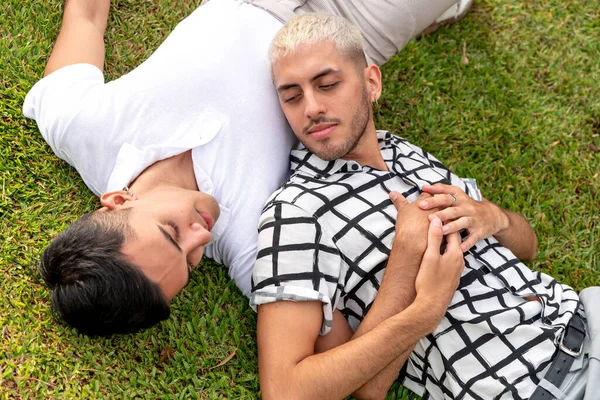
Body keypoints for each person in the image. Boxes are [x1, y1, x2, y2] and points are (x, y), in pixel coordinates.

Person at [22, 0, 472, 336]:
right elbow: (338, 348)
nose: (203, 234)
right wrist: (415, 302)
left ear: (118, 200)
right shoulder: (249, 243)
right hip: (349, 35)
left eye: (171, 232)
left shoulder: (79, 126)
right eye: (192, 260)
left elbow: (85, 18)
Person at [250, 13, 599, 400]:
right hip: (535, 387)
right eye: (292, 97)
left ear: (371, 83)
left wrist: (493, 217)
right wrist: (422, 301)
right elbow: (285, 391)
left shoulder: (404, 151)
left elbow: (529, 247)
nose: (311, 107)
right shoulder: (297, 210)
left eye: (327, 84)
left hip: (584, 316)